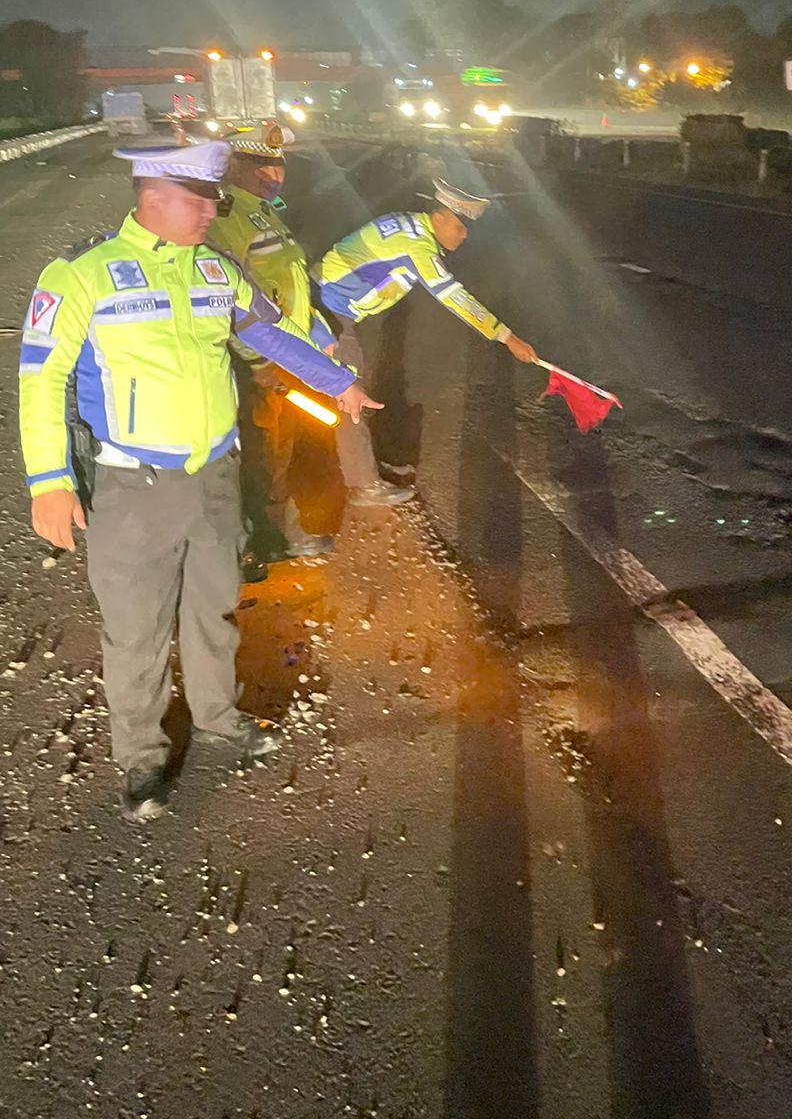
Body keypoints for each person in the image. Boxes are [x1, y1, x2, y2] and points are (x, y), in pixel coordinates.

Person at [18, 141, 380, 824]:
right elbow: (42, 379)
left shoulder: (216, 269)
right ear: (153, 196)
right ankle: (142, 759)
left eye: (215, 197)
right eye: (201, 199)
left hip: (214, 472)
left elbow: (268, 334)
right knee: (136, 629)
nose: (215, 210)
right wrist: (49, 482)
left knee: (213, 607)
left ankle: (217, 717)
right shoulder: (82, 275)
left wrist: (339, 383)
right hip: (133, 486)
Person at [313, 177, 538, 504]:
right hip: (329, 308)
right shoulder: (417, 246)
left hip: (323, 295)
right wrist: (507, 337)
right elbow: (454, 297)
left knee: (347, 388)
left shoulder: (409, 225)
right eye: (460, 226)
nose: (464, 234)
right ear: (439, 217)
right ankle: (364, 484)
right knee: (350, 393)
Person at [206, 123, 334, 569]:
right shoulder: (226, 216)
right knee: (257, 454)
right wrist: (258, 359)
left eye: (278, 164)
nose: (274, 174)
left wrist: (317, 335)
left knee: (277, 448)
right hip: (251, 360)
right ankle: (257, 543)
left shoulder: (261, 210)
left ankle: (272, 534)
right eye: (261, 164)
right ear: (233, 164)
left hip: (279, 352)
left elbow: (286, 280)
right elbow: (223, 294)